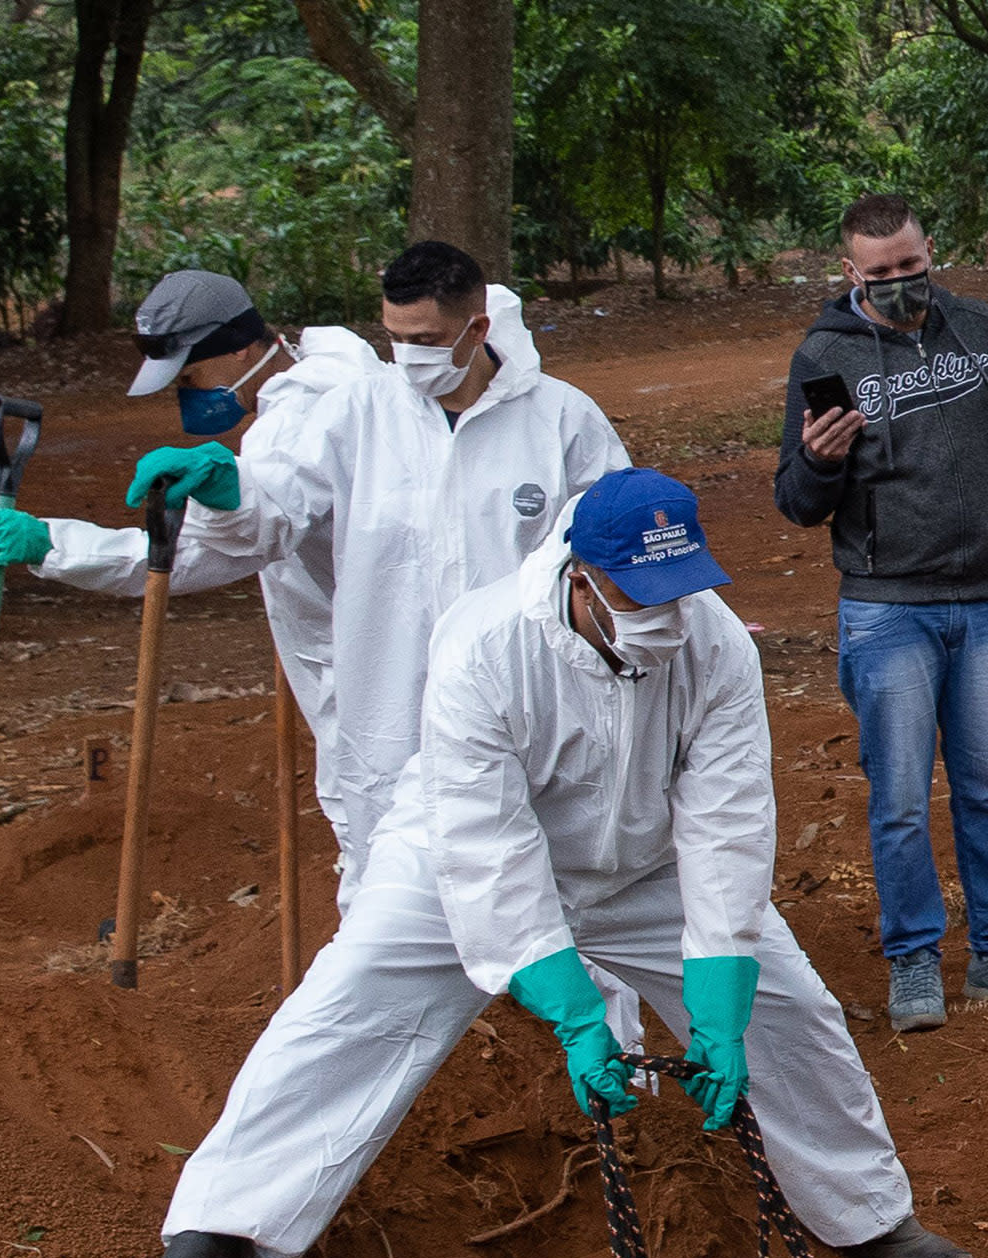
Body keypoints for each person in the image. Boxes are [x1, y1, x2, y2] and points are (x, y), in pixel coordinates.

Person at [114, 470, 977, 1258]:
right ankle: (215, 1233)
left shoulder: (718, 647)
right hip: (453, 856)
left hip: (643, 864)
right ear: (579, 576)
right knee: (350, 1004)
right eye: (637, 595)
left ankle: (868, 1213)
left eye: (679, 592)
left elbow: (728, 822)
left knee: (792, 1013)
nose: (665, 615)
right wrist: (572, 1010)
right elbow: (488, 846)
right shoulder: (485, 644)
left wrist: (717, 998)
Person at [123, 241, 631, 906]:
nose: (409, 357)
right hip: (392, 704)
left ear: (477, 329)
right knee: (390, 891)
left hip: (531, 704)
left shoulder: (562, 420)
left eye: (424, 339)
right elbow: (277, 509)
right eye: (394, 339)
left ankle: (563, 1004)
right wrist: (233, 491)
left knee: (555, 883)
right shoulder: (356, 415)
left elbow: (615, 553)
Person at [774, 193, 988, 1032]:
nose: (898, 285)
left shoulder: (978, 329)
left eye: (910, 268)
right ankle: (914, 959)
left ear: (930, 251)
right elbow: (797, 504)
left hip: (985, 598)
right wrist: (819, 462)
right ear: (850, 273)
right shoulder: (825, 353)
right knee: (902, 796)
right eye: (879, 275)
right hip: (887, 609)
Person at [0, 268, 380, 855]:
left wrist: (52, 545)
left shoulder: (298, 422)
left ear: (240, 349)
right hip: (354, 658)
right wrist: (52, 542)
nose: (187, 394)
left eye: (191, 375)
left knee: (386, 855)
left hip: (369, 679)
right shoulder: (343, 381)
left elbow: (216, 548)